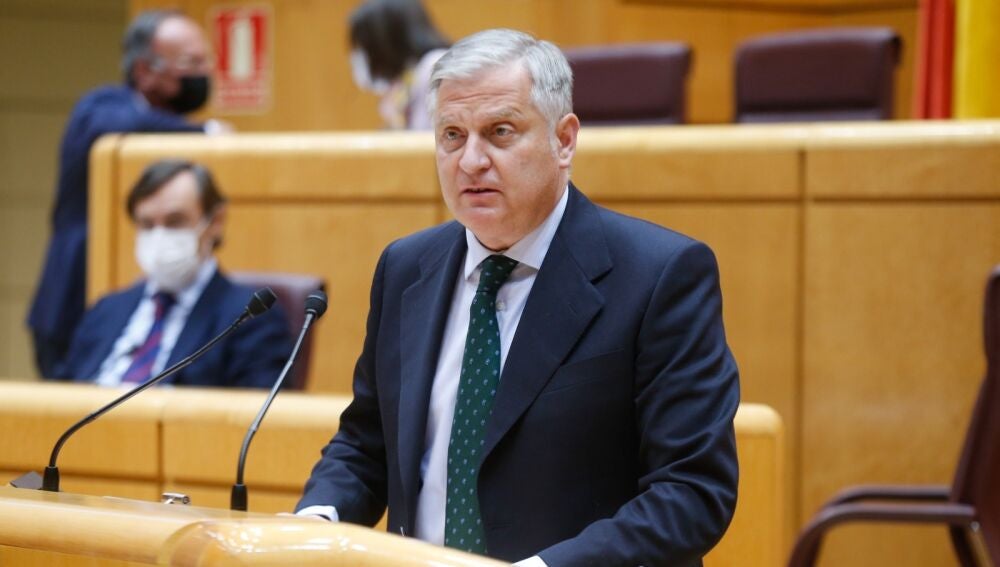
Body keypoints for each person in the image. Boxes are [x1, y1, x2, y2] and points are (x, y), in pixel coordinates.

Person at [296, 29, 740, 566]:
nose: (470, 161)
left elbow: (691, 492)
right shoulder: (406, 267)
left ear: (564, 140)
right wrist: (316, 520)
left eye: (499, 132)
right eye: (452, 135)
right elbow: (367, 443)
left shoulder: (660, 275)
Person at [28, 9, 230, 378]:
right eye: (191, 62)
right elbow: (118, 124)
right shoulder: (101, 106)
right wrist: (205, 133)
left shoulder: (173, 129)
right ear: (144, 70)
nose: (204, 72)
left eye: (206, 61)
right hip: (73, 298)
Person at [54, 159, 292, 389]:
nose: (159, 237)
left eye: (175, 222)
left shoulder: (249, 317)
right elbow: (60, 395)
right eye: (147, 224)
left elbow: (256, 409)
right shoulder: (105, 310)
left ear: (215, 222)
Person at [348, 0, 450, 130]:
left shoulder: (434, 67)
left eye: (363, 46)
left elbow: (427, 137)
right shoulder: (408, 80)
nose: (359, 56)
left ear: (383, 42)